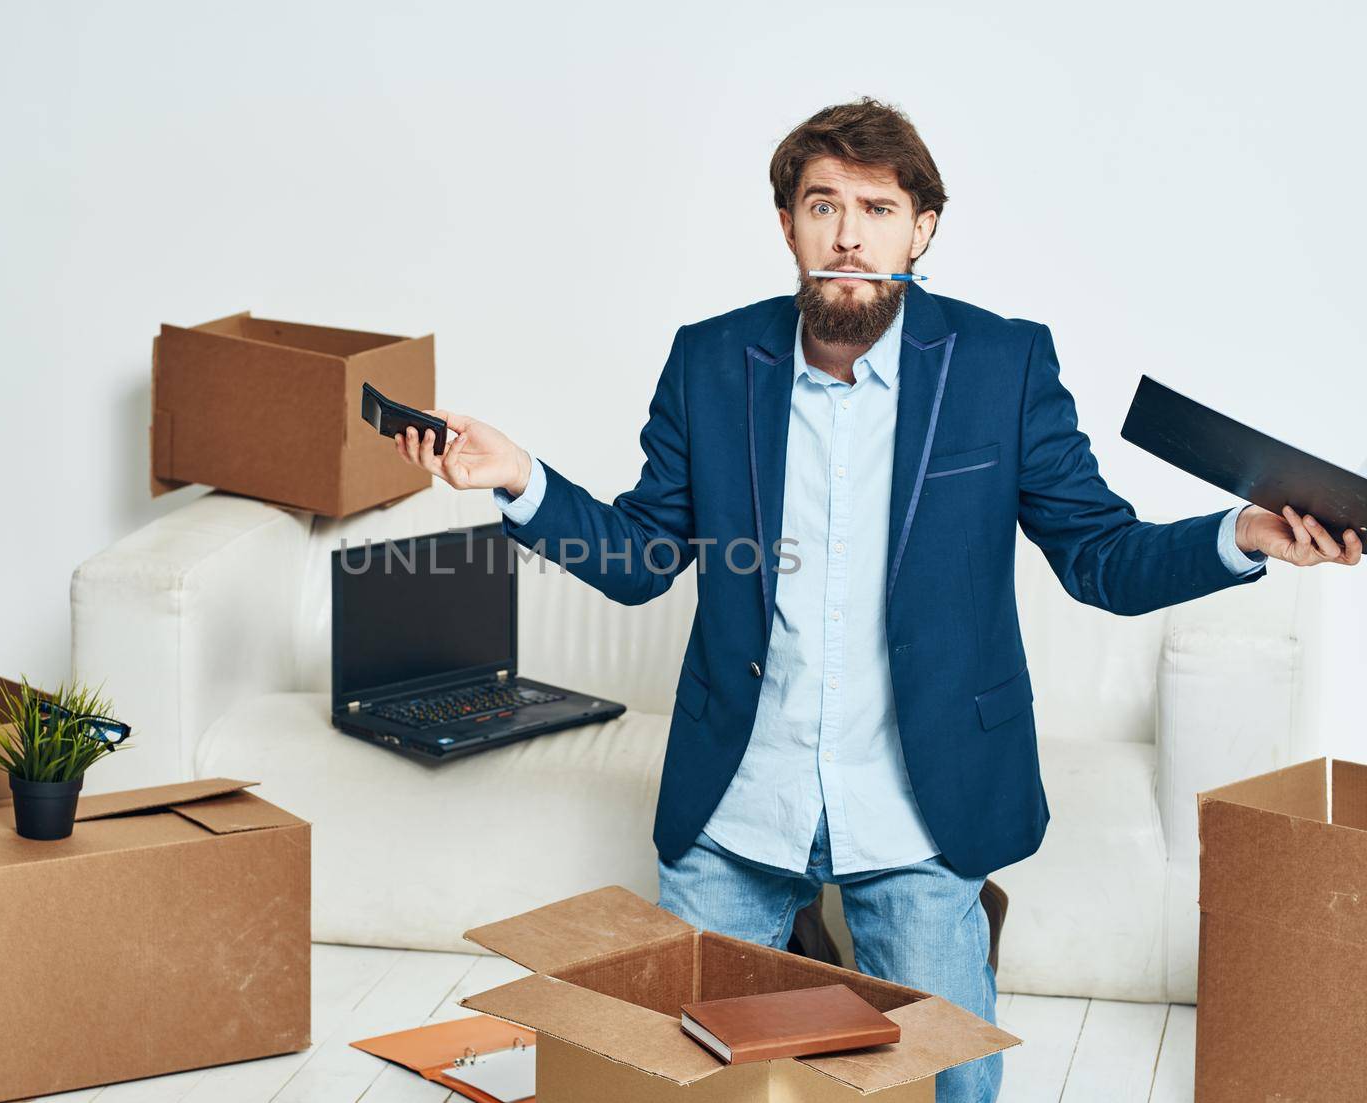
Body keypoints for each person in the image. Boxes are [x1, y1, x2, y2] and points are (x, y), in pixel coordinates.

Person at [392, 98, 1361, 1103]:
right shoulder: (712, 361)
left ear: (921, 229)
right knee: (676, 1083)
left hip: (919, 808)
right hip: (740, 802)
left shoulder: (1001, 364)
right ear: (787, 226)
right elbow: (640, 555)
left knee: (953, 1087)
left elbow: (1100, 557)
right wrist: (520, 478)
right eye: (822, 205)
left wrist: (1241, 535)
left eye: (878, 207)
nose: (849, 232)